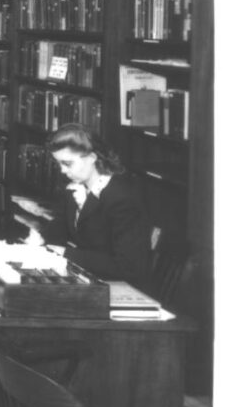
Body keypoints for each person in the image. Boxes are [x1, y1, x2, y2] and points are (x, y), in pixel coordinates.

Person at [23, 123, 153, 287]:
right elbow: (57, 231)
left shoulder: (122, 199)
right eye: (59, 164)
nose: (62, 170)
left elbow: (128, 267)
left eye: (67, 164)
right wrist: (41, 239)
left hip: (121, 287)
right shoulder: (74, 189)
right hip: (90, 280)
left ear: (92, 158)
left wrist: (64, 253)